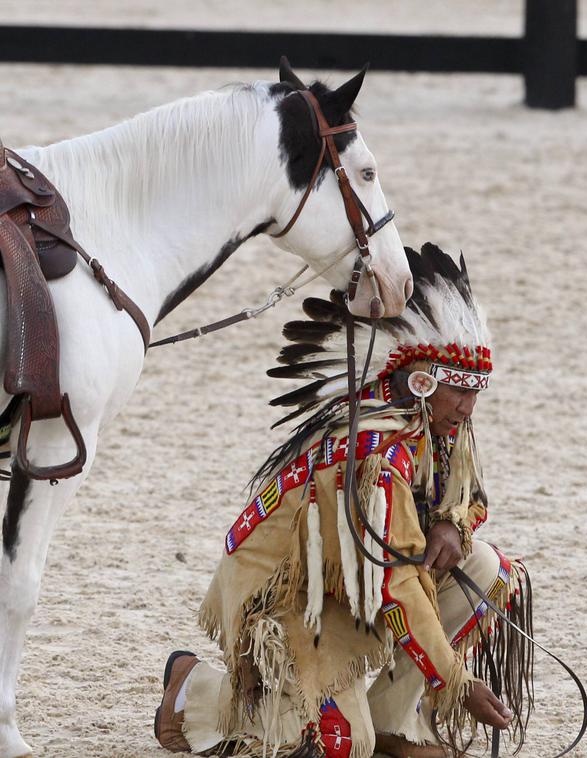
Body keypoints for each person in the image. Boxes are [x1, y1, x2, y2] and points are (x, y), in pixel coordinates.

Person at [153, 244, 533, 758]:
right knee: (341, 745)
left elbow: (470, 497)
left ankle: (394, 721)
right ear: (420, 382)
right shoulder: (369, 456)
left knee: (485, 566)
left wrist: (450, 523)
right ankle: (194, 694)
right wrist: (456, 681)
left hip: (349, 594)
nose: (468, 407)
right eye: (458, 391)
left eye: (476, 392)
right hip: (287, 603)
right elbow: (397, 586)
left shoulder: (435, 424)